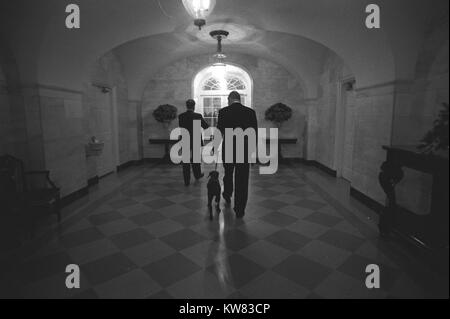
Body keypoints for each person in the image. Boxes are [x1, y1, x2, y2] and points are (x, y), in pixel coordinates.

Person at [217, 91, 258, 218]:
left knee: (228, 172)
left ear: (229, 99)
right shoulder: (250, 112)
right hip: (244, 148)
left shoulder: (223, 111)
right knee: (242, 178)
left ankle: (227, 194)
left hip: (228, 146)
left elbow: (219, 130)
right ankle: (240, 209)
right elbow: (254, 132)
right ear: (239, 99)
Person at [178, 99, 209, 186]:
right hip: (195, 139)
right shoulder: (197, 116)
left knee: (186, 161)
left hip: (185, 139)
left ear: (186, 106)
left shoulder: (181, 116)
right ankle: (197, 175)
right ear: (194, 106)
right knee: (196, 160)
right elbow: (206, 126)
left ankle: (186, 180)